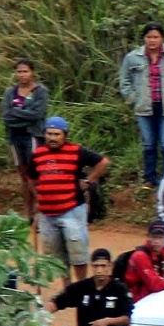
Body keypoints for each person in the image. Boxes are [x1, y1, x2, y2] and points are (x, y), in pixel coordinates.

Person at [31, 117, 110, 281]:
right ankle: (67, 288)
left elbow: (103, 162)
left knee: (78, 252)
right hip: (47, 213)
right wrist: (39, 198)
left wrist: (89, 180)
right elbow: (32, 179)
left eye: (56, 134)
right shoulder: (37, 155)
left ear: (64, 135)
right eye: (49, 134)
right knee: (56, 256)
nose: (52, 138)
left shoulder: (76, 151)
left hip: (72, 210)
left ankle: (80, 286)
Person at [119, 22, 164, 186]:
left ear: (162, 38)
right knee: (148, 143)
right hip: (144, 106)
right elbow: (124, 81)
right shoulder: (133, 57)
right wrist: (133, 98)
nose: (152, 40)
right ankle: (150, 178)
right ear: (144, 38)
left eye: (156, 37)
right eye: (149, 37)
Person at [45, 248, 133, 326]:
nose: (99, 270)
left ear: (110, 266)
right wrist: (41, 315)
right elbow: (56, 303)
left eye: (103, 266)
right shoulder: (82, 288)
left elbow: (127, 318)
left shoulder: (119, 289)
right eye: (96, 266)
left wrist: (107, 321)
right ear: (91, 266)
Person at [1, 59, 51, 217]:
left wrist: (16, 112)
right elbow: (6, 116)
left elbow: (37, 114)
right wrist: (23, 114)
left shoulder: (40, 91)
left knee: (35, 174)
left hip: (33, 135)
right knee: (23, 176)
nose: (22, 75)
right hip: (15, 137)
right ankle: (28, 212)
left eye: (25, 71)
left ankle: (42, 209)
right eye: (19, 71)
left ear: (32, 72)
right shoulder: (10, 92)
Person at [122, 222, 164, 302]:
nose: (156, 241)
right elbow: (155, 285)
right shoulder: (140, 256)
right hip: (138, 299)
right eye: (154, 237)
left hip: (157, 294)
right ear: (148, 237)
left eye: (160, 237)